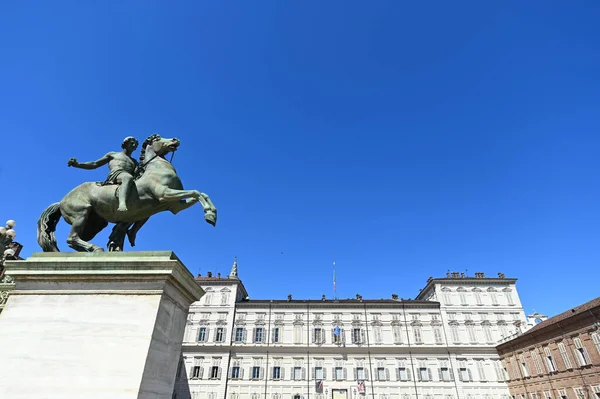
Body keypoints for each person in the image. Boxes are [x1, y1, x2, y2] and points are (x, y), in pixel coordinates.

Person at [68, 136, 139, 212]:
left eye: (135, 145)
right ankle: (122, 203)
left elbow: (136, 174)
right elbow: (94, 164)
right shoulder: (113, 154)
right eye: (132, 143)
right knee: (127, 177)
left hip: (128, 178)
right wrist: (78, 165)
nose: (134, 145)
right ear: (125, 143)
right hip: (116, 174)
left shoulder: (134, 162)